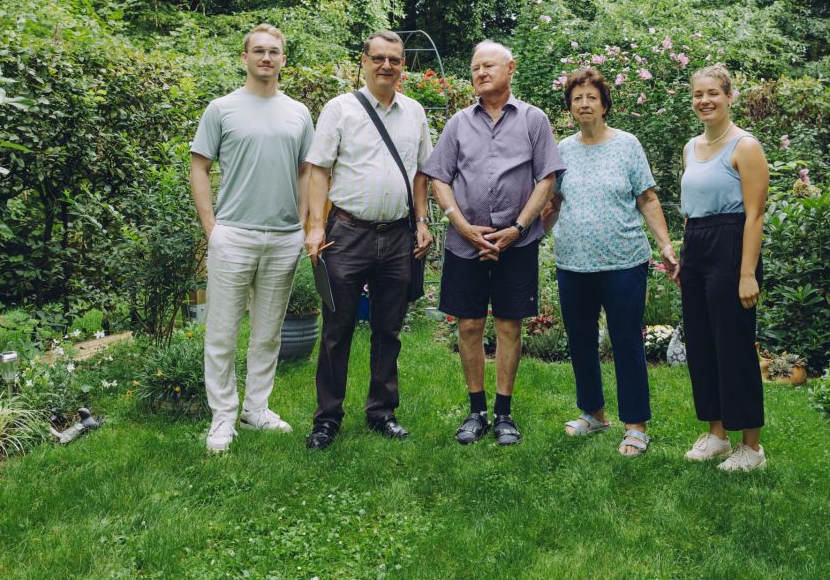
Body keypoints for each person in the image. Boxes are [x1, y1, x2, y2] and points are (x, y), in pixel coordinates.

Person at [423, 40, 565, 446]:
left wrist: (517, 228)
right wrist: (463, 226)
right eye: (475, 68)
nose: (481, 73)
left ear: (510, 68)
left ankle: (503, 413)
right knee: (469, 324)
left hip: (515, 243)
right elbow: (438, 177)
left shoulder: (534, 120)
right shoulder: (458, 123)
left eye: (488, 66)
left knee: (508, 325)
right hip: (465, 242)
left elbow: (547, 179)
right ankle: (476, 411)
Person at [302, 31, 433, 449]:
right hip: (347, 233)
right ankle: (327, 418)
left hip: (397, 236)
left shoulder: (415, 113)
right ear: (364, 61)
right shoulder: (339, 109)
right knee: (336, 329)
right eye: (378, 58)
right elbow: (318, 170)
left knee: (388, 330)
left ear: (403, 66)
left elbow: (421, 173)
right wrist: (315, 227)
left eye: (394, 59)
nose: (386, 66)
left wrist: (422, 221)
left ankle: (382, 412)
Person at [190, 23, 315, 453]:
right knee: (221, 333)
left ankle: (256, 408)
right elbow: (199, 167)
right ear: (244, 57)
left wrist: (302, 224)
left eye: (273, 51)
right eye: (258, 50)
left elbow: (306, 170)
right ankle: (223, 417)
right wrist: (212, 229)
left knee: (268, 333)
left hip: (283, 238)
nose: (266, 57)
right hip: (234, 234)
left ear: (283, 60)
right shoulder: (221, 109)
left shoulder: (298, 113)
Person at [542, 68, 679, 456]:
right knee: (581, 340)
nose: (584, 104)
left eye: (592, 97)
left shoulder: (627, 145)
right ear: (570, 107)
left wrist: (665, 245)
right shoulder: (563, 150)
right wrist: (530, 234)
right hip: (573, 263)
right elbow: (555, 202)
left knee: (626, 341)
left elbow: (647, 198)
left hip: (623, 262)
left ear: (604, 105)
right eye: (577, 98)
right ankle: (594, 413)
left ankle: (635, 425)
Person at [678, 64, 770, 471]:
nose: (705, 101)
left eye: (713, 93)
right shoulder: (690, 147)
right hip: (696, 245)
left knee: (733, 346)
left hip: (732, 245)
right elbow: (692, 209)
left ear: (729, 96)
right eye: (698, 94)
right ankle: (717, 435)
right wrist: (685, 257)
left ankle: (752, 447)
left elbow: (755, 215)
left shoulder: (744, 146)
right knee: (701, 345)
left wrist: (747, 273)